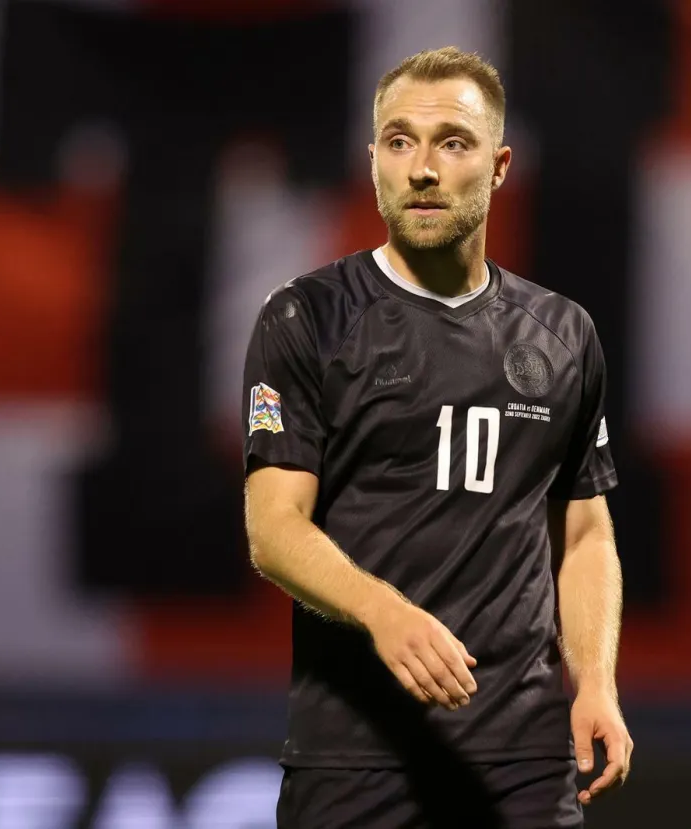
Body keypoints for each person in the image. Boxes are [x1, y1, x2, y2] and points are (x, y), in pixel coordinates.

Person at [243, 46, 632, 828]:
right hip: (355, 756)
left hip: (522, 762)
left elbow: (583, 530)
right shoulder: (306, 318)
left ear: (498, 165)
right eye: (398, 141)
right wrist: (383, 611)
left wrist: (594, 680)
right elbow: (272, 529)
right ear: (373, 159)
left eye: (452, 142)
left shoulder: (561, 333)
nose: (421, 168)